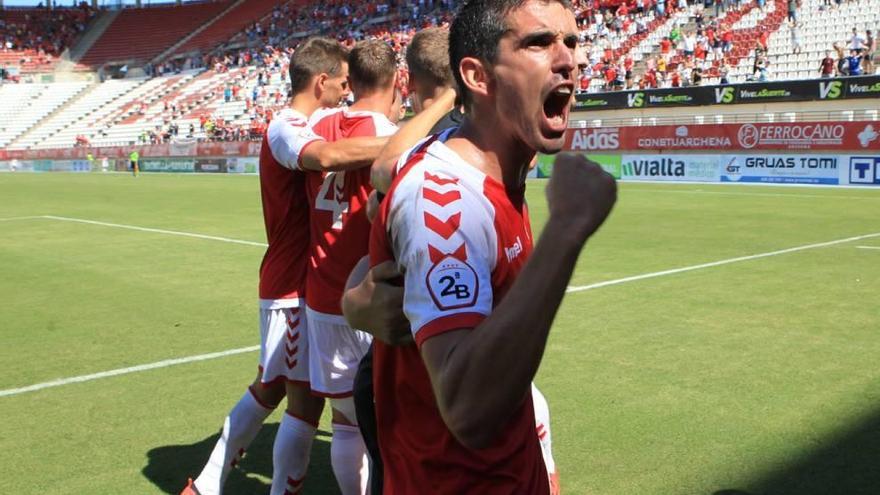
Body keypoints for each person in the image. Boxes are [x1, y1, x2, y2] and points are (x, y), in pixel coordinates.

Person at [349, 0, 616, 492]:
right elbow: (468, 410)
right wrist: (567, 231)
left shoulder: (501, 166)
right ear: (476, 75)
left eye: (573, 43)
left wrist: (355, 297)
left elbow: (380, 251)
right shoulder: (448, 198)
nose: (570, 61)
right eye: (539, 43)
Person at [181, 37, 388, 495]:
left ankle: (214, 486)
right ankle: (209, 485)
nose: (345, 92)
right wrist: (404, 140)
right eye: (341, 82)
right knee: (277, 391)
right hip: (291, 285)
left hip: (305, 281)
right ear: (321, 81)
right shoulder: (286, 126)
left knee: (305, 404)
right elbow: (327, 157)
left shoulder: (313, 121)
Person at [299, 39, 402, 495]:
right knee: (389, 418)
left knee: (343, 420)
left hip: (322, 292)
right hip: (369, 295)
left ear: (350, 81)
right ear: (396, 80)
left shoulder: (317, 121)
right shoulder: (388, 131)